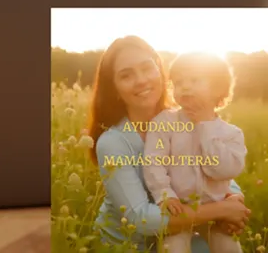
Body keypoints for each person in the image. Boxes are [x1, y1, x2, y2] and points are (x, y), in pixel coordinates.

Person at [89, 37, 249, 250]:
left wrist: (234, 197)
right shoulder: (113, 143)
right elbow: (140, 219)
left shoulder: (186, 118)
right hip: (129, 245)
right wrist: (221, 210)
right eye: (126, 75)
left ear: (160, 71)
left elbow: (211, 168)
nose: (141, 80)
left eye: (147, 68)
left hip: (181, 230)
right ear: (115, 88)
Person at [143, 52, 246, 253]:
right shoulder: (164, 123)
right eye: (179, 82)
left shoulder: (231, 134)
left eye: (194, 80)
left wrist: (205, 126)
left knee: (229, 248)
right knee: (173, 248)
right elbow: (153, 162)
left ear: (218, 89)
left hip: (216, 214)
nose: (185, 87)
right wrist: (165, 195)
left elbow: (223, 171)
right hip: (179, 209)